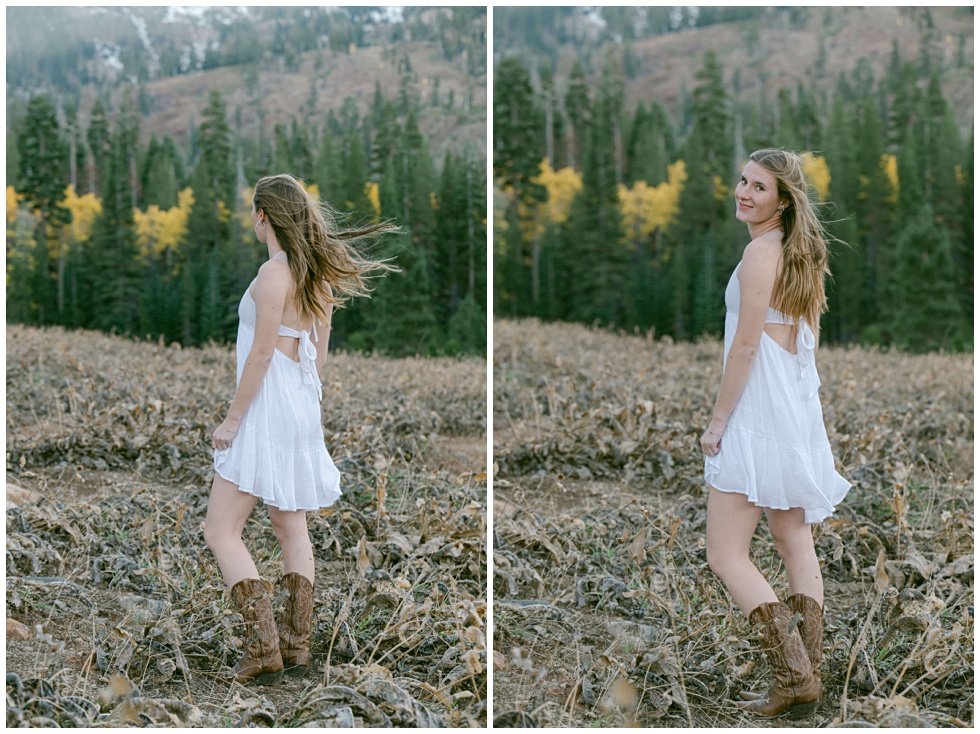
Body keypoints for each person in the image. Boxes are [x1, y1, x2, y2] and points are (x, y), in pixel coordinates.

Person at [203, 174, 397, 685]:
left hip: (268, 404)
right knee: (292, 527)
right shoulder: (317, 276)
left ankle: (264, 647)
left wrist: (233, 419)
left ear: (263, 215)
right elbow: (319, 356)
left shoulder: (274, 273)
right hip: (301, 402)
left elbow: (262, 353)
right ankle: (297, 647)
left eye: (252, 210)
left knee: (220, 529)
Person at [700, 149, 850, 718]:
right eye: (742, 180)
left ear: (782, 200)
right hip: (790, 405)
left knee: (725, 553)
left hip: (760, 409)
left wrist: (718, 425)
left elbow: (746, 346)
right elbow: (801, 343)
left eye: (758, 187)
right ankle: (807, 675)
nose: (743, 192)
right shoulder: (800, 253)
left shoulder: (762, 252)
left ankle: (793, 674)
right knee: (793, 539)